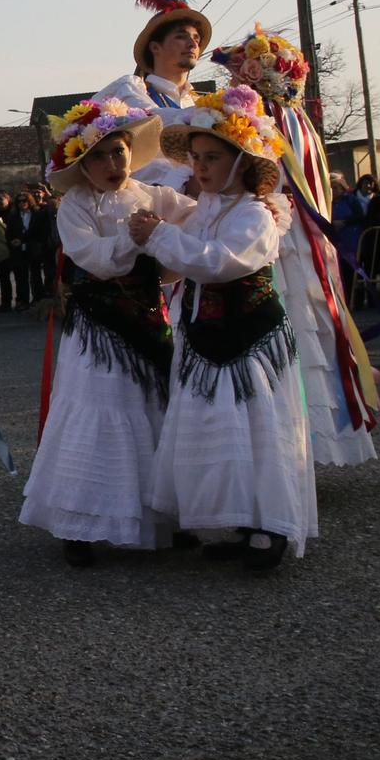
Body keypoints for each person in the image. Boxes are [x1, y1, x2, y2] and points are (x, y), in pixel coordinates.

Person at [136, 88, 315, 571]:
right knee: (218, 429)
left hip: (250, 338)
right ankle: (235, 520)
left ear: (243, 160)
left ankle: (271, 527)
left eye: (212, 157)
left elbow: (219, 264)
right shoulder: (206, 210)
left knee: (257, 428)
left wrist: (158, 236)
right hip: (204, 335)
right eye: (196, 158)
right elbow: (181, 264)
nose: (201, 168)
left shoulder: (257, 214)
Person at [20, 100, 194, 564]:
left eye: (119, 152)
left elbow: (196, 217)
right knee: (98, 413)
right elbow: (91, 258)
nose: (113, 164)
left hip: (148, 319)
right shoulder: (74, 206)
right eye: (100, 156)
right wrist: (133, 239)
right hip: (98, 329)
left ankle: (159, 516)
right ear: (82, 163)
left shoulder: (150, 193)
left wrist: (240, 211)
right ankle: (79, 525)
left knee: (153, 408)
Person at [211, 29, 380, 466]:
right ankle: (293, 448)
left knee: (292, 322)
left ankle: (290, 449)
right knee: (297, 322)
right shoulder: (290, 123)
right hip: (285, 235)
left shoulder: (267, 125)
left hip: (281, 237)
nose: (235, 81)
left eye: (240, 73)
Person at [96, 0, 215, 190]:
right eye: (181, 37)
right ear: (155, 48)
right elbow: (155, 120)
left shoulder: (196, 100)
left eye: (196, 38)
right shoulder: (129, 90)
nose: (193, 44)